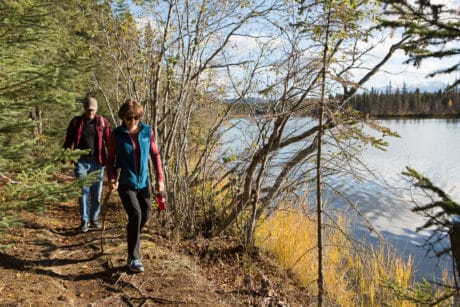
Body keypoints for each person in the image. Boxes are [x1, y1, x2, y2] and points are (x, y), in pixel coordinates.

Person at [106, 98, 165, 273]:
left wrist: (159, 178)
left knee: (145, 214)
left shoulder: (147, 131)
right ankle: (133, 258)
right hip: (126, 182)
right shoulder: (116, 134)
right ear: (123, 117)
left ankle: (132, 237)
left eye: (136, 118)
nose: (133, 121)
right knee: (136, 214)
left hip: (144, 182)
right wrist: (111, 178)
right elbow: (110, 160)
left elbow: (155, 155)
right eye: (129, 118)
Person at [63, 96, 112, 233]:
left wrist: (114, 158)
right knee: (83, 192)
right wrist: (64, 155)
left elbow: (110, 142)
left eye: (93, 110)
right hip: (81, 162)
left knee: (96, 194)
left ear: (96, 110)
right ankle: (84, 221)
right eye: (89, 109)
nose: (91, 112)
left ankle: (94, 220)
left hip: (98, 162)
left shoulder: (103, 122)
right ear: (85, 109)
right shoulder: (76, 122)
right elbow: (69, 139)